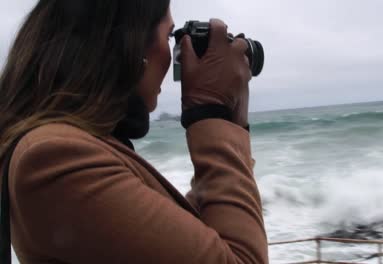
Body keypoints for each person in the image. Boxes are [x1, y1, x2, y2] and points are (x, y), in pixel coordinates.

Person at [0, 0, 268, 263]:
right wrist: (212, 113)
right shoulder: (54, 158)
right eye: (168, 36)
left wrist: (228, 120)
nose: (173, 57)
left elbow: (186, 238)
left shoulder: (67, 149)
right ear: (130, 44)